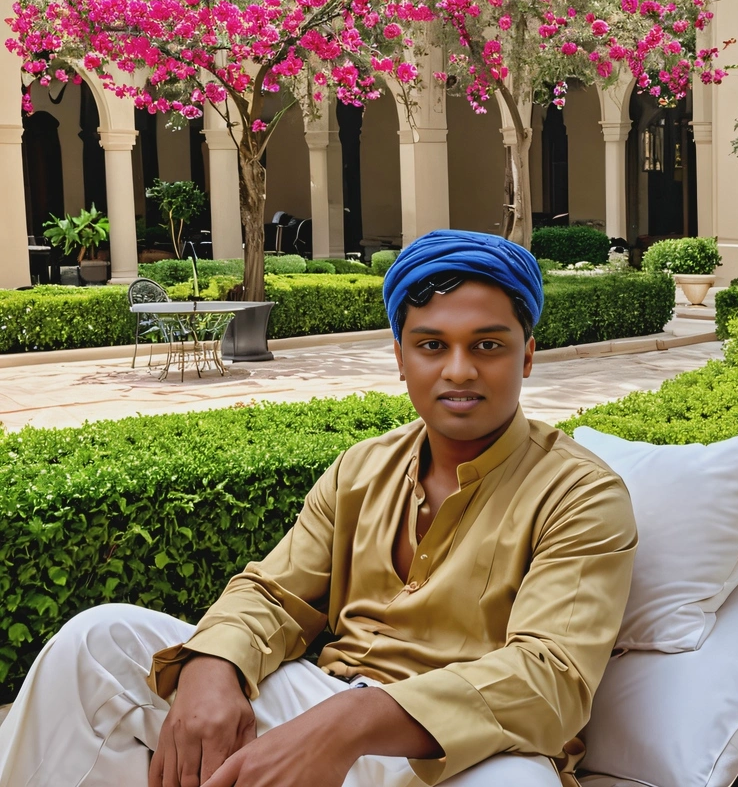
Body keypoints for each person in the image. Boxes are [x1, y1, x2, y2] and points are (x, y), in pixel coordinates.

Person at [0, 229, 637, 787]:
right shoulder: (363, 468)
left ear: (527, 353)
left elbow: (549, 679)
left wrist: (348, 725)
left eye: (489, 346)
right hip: (323, 705)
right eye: (432, 345)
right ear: (400, 358)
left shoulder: (580, 494)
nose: (460, 370)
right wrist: (213, 664)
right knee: (98, 642)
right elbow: (274, 595)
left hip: (466, 749)